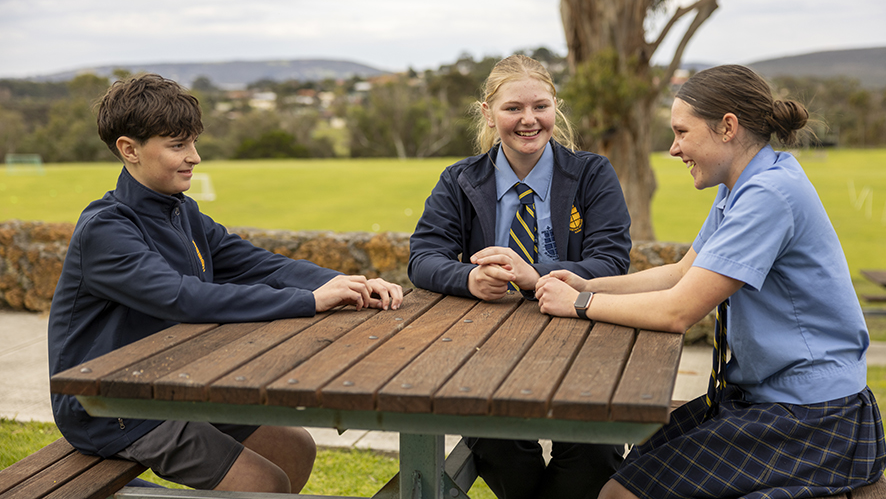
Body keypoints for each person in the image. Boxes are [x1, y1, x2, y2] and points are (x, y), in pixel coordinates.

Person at [536, 64, 886, 499]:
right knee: (627, 473)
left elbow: (677, 310)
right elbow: (682, 273)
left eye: (682, 132)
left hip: (814, 417)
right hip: (764, 399)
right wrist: (588, 286)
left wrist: (577, 305)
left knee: (620, 495)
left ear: (727, 128)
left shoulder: (769, 196)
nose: (673, 148)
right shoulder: (741, 185)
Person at [48, 73, 403, 494]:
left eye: (193, 142)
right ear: (129, 150)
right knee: (264, 481)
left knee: (296, 448)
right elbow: (185, 299)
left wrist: (344, 282)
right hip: (108, 405)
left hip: (171, 384)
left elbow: (257, 264)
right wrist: (308, 301)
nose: (195, 157)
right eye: (178, 145)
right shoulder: (106, 229)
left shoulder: (181, 212)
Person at [408, 54, 632, 499]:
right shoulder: (458, 180)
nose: (529, 120)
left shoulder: (592, 173)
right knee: (496, 441)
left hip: (585, 343)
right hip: (488, 349)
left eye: (540, 107)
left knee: (594, 451)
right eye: (513, 108)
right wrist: (467, 279)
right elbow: (422, 257)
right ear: (488, 114)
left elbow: (611, 262)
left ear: (555, 108)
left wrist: (537, 277)